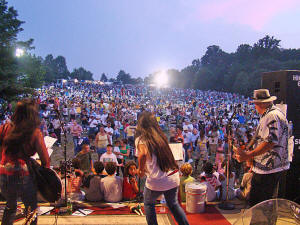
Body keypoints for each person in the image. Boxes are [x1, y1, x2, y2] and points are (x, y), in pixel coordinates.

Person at [234, 89, 289, 207]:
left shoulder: (272, 116)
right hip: (268, 168)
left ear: (262, 103)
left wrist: (248, 155)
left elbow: (270, 142)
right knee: (263, 203)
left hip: (268, 169)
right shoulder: (271, 114)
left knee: (260, 204)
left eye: (255, 104)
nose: (254, 107)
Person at [0, 99, 50, 225]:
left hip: (3, 174)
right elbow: (45, 160)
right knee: (31, 210)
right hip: (23, 176)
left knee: (10, 207)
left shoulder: (5, 127)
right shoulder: (35, 133)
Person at [135, 111, 189, 225]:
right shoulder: (161, 136)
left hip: (157, 179)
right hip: (172, 176)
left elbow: (143, 154)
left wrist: (140, 170)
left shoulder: (141, 139)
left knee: (149, 204)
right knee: (173, 204)